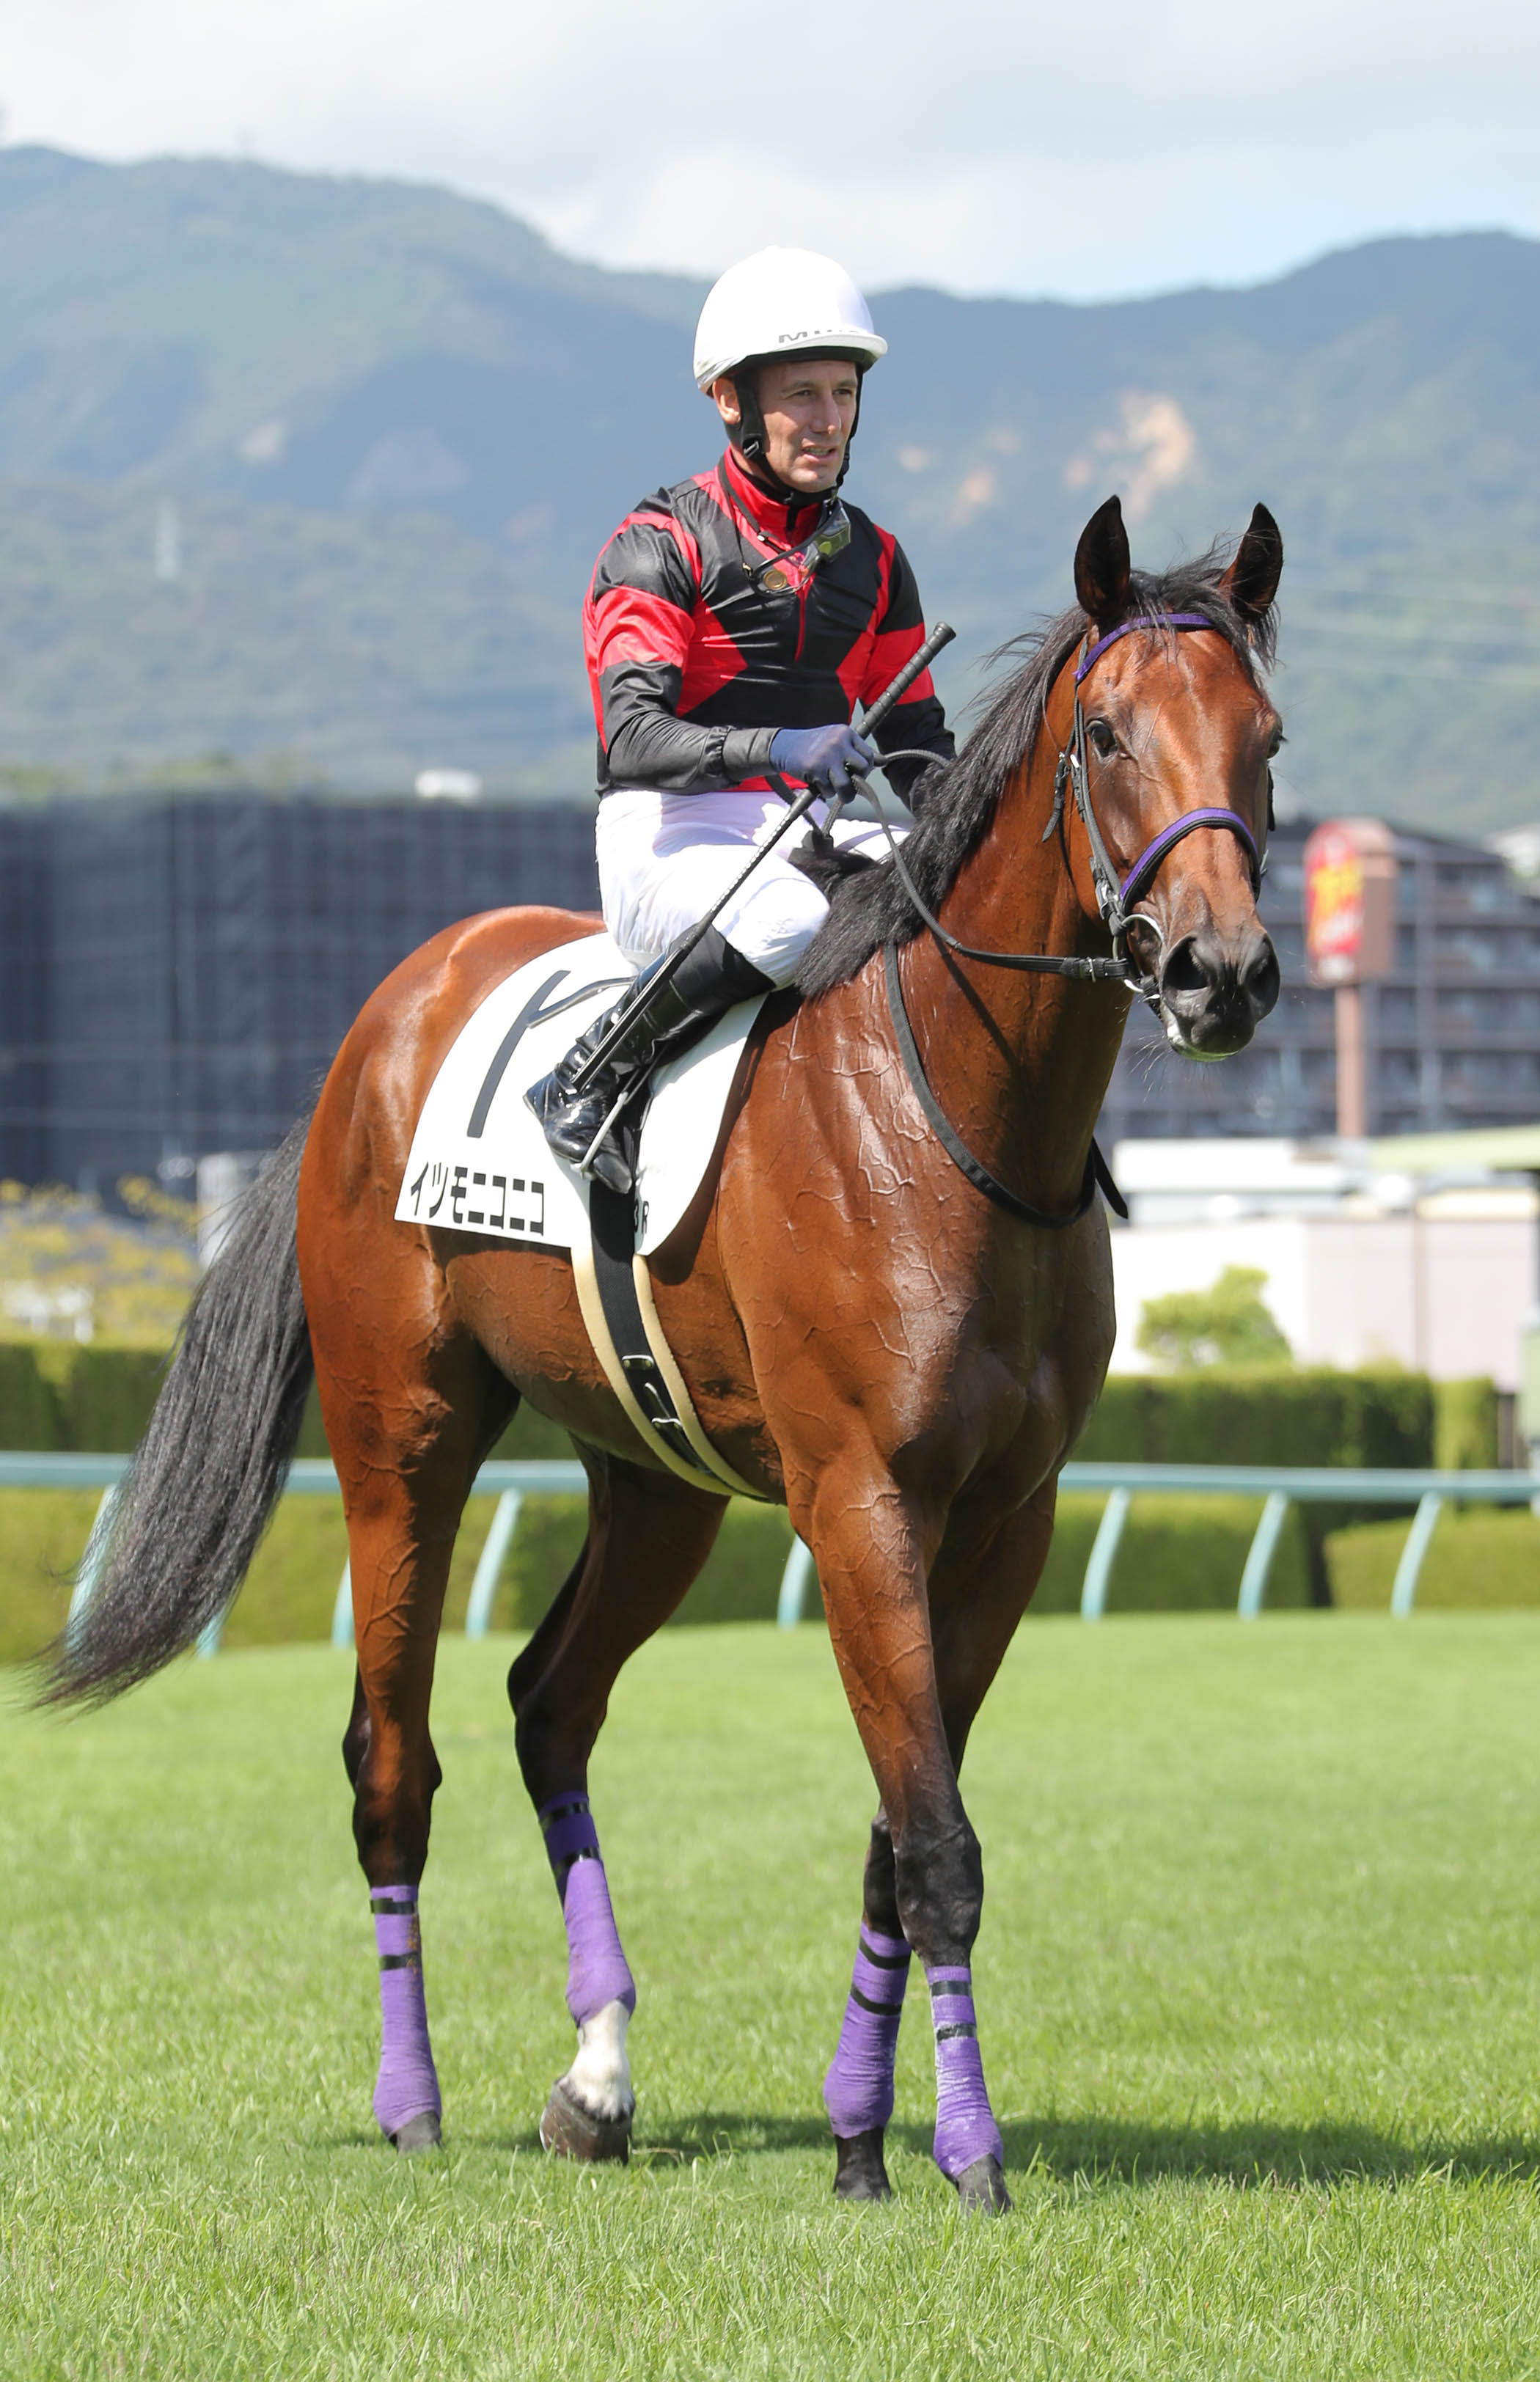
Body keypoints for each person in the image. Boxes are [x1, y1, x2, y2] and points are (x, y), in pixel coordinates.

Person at [527, 244, 956, 1194]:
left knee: (959, 906)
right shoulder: (658, 542)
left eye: (843, 394)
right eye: (802, 395)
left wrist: (982, 833)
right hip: (670, 837)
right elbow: (634, 738)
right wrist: (786, 747)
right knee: (795, 918)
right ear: (730, 399)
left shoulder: (879, 560)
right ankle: (590, 1072)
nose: (829, 420)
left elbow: (918, 745)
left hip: (810, 835)